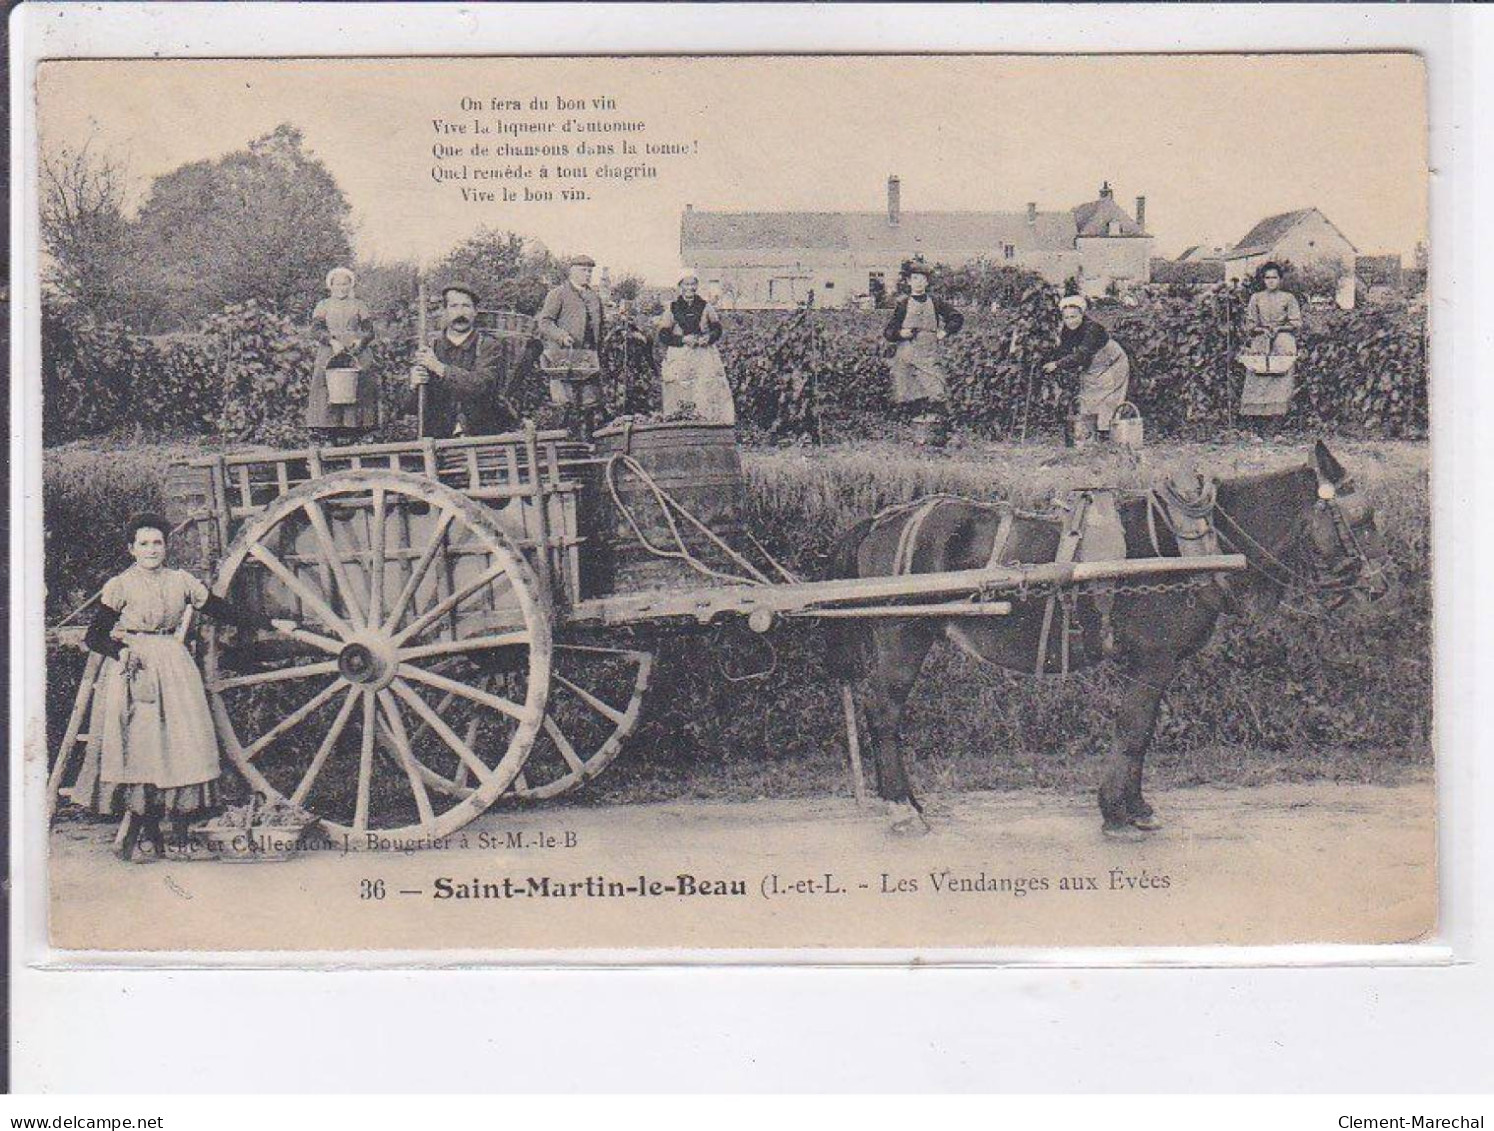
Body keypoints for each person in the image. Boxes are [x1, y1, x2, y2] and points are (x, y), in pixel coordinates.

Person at [70, 515, 291, 861]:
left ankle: (181, 835)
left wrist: (268, 622)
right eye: (143, 544)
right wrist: (121, 650)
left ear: (166, 547)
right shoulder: (121, 586)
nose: (151, 550)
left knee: (183, 745)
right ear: (131, 549)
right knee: (143, 749)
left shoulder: (180, 581)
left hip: (174, 666)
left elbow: (222, 610)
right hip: (136, 669)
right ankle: (149, 835)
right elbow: (94, 636)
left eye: (157, 543)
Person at [409, 281, 516, 438]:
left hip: (482, 438)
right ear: (444, 311)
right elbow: (408, 407)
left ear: (475, 311)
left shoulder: (489, 346)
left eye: (466, 306)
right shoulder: (429, 348)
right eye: (454, 306)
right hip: (438, 439)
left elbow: (481, 386)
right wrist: (413, 385)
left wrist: (439, 368)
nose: (460, 312)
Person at [883, 260, 963, 436]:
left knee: (937, 390)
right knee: (911, 393)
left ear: (927, 282)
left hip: (928, 354)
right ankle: (918, 435)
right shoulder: (903, 304)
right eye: (915, 278)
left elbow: (956, 317)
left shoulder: (935, 302)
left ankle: (943, 433)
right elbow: (888, 332)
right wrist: (900, 333)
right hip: (907, 354)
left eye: (922, 279)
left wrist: (945, 332)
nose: (918, 282)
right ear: (909, 282)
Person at [1042, 294, 1131, 445]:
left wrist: (1057, 364)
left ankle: (1105, 436)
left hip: (1112, 363)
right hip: (1093, 365)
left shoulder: (1093, 329)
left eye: (1074, 316)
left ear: (1082, 315)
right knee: (1088, 396)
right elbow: (1065, 350)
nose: (1070, 321)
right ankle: (1091, 435)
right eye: (1067, 317)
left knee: (1108, 398)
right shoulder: (1067, 330)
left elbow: (1081, 355)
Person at [307, 267, 379, 444]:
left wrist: (360, 341)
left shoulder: (359, 305)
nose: (342, 288)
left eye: (345, 284)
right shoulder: (323, 305)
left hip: (356, 352)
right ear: (330, 285)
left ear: (351, 285)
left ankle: (359, 433)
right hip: (330, 350)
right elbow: (316, 331)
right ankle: (328, 434)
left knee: (359, 384)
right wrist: (331, 341)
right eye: (338, 284)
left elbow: (369, 331)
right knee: (326, 386)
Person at [537, 255, 606, 435]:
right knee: (566, 405)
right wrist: (561, 336)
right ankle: (565, 444)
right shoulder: (558, 294)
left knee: (590, 404)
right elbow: (544, 322)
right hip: (564, 358)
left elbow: (601, 327)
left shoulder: (594, 297)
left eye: (590, 271)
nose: (588, 275)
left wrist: (600, 351)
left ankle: (589, 445)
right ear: (572, 271)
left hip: (588, 359)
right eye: (583, 270)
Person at [656, 275, 735, 423]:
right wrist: (682, 339)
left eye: (693, 284)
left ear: (697, 286)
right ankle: (679, 424)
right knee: (679, 388)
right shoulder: (672, 308)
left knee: (705, 388)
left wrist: (708, 338)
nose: (690, 288)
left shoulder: (705, 306)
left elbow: (717, 329)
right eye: (686, 284)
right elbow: (663, 335)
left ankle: (706, 423)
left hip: (703, 355)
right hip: (680, 355)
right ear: (680, 286)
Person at [1239, 261, 1304, 423]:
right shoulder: (1256, 298)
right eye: (1267, 278)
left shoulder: (1288, 298)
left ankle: (1278, 425)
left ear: (1280, 279)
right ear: (1263, 280)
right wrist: (1261, 330)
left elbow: (1296, 322)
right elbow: (1250, 324)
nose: (1271, 281)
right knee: (1258, 378)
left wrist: (1280, 329)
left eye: (1274, 277)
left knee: (1281, 381)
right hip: (1261, 341)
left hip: (1283, 341)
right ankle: (1258, 425)